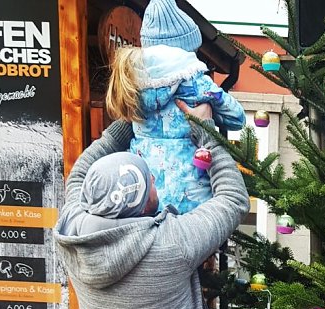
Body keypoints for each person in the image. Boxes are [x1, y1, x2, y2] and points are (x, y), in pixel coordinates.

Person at [54, 106, 249, 309]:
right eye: (149, 181)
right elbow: (232, 199)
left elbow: (79, 175)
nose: (155, 179)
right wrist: (205, 131)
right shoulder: (173, 242)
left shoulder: (71, 233)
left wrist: (129, 121)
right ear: (142, 197)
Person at [106, 0, 247, 214]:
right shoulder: (194, 81)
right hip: (190, 194)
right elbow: (237, 119)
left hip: (143, 192)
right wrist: (212, 102)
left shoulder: (129, 81)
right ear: (184, 48)